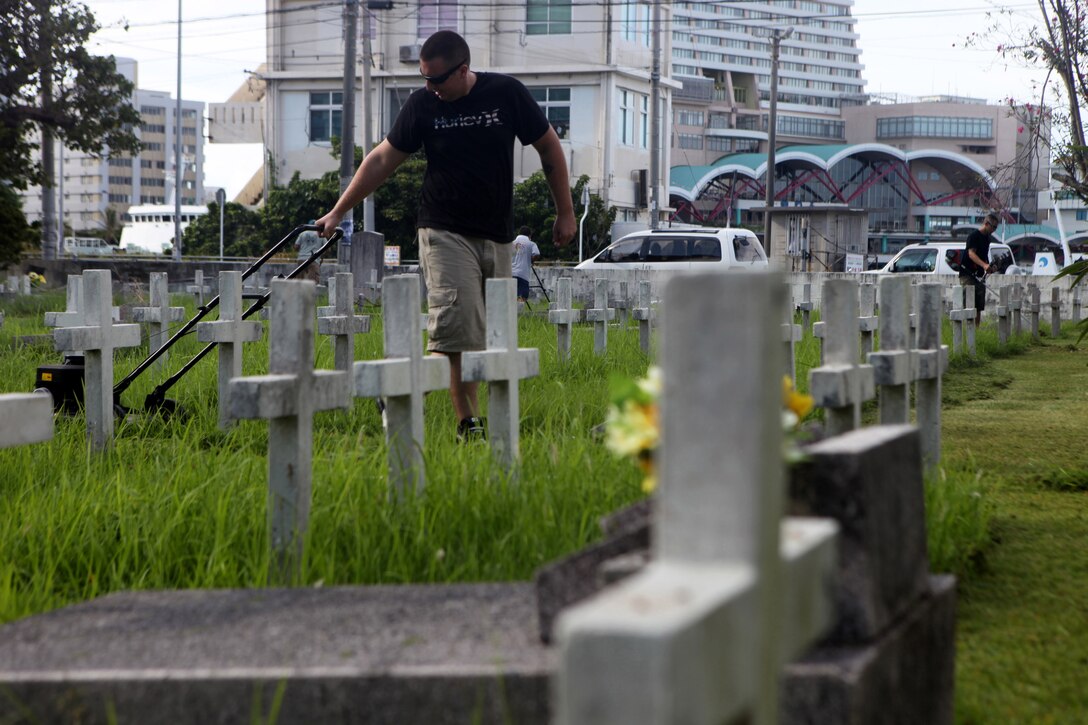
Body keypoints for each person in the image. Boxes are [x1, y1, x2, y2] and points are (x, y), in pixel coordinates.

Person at [315, 30, 576, 441]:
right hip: (443, 230)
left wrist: (566, 211)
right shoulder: (422, 106)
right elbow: (383, 159)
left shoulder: (505, 94)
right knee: (457, 326)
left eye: (436, 79)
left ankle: (457, 416)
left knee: (479, 336)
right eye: (424, 78)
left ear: (463, 70)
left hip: (497, 234)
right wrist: (338, 211)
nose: (428, 87)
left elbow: (548, 147)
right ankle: (442, 408)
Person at [960, 212, 1000, 326]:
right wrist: (984, 265)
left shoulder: (987, 239)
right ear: (987, 224)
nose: (994, 230)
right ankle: (968, 331)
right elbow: (971, 254)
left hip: (980, 275)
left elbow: (984, 256)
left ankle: (976, 332)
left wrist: (990, 267)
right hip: (968, 274)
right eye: (993, 227)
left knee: (978, 305)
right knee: (969, 304)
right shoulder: (973, 236)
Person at [511, 226, 541, 302]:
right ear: (529, 235)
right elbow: (537, 254)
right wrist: (531, 260)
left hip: (510, 273)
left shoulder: (511, 243)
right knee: (522, 296)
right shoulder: (531, 244)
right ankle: (519, 311)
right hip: (523, 274)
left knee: (511, 296)